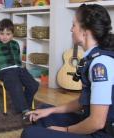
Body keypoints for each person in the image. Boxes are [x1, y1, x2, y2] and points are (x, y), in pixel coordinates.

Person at [21, 4, 114, 138]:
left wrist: (65, 130)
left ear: (84, 32)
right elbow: (83, 101)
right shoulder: (92, 57)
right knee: (43, 111)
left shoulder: (100, 65)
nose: (71, 29)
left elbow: (97, 123)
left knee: (29, 134)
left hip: (102, 133)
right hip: (92, 122)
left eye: (74, 25)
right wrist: (51, 110)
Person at [0, 19, 39, 121]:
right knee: (15, 84)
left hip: (19, 69)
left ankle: (23, 106)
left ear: (12, 34)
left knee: (34, 85)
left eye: (8, 34)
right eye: (2, 34)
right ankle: (25, 111)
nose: (5, 37)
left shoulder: (15, 44)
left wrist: (22, 69)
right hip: (5, 71)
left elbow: (18, 59)